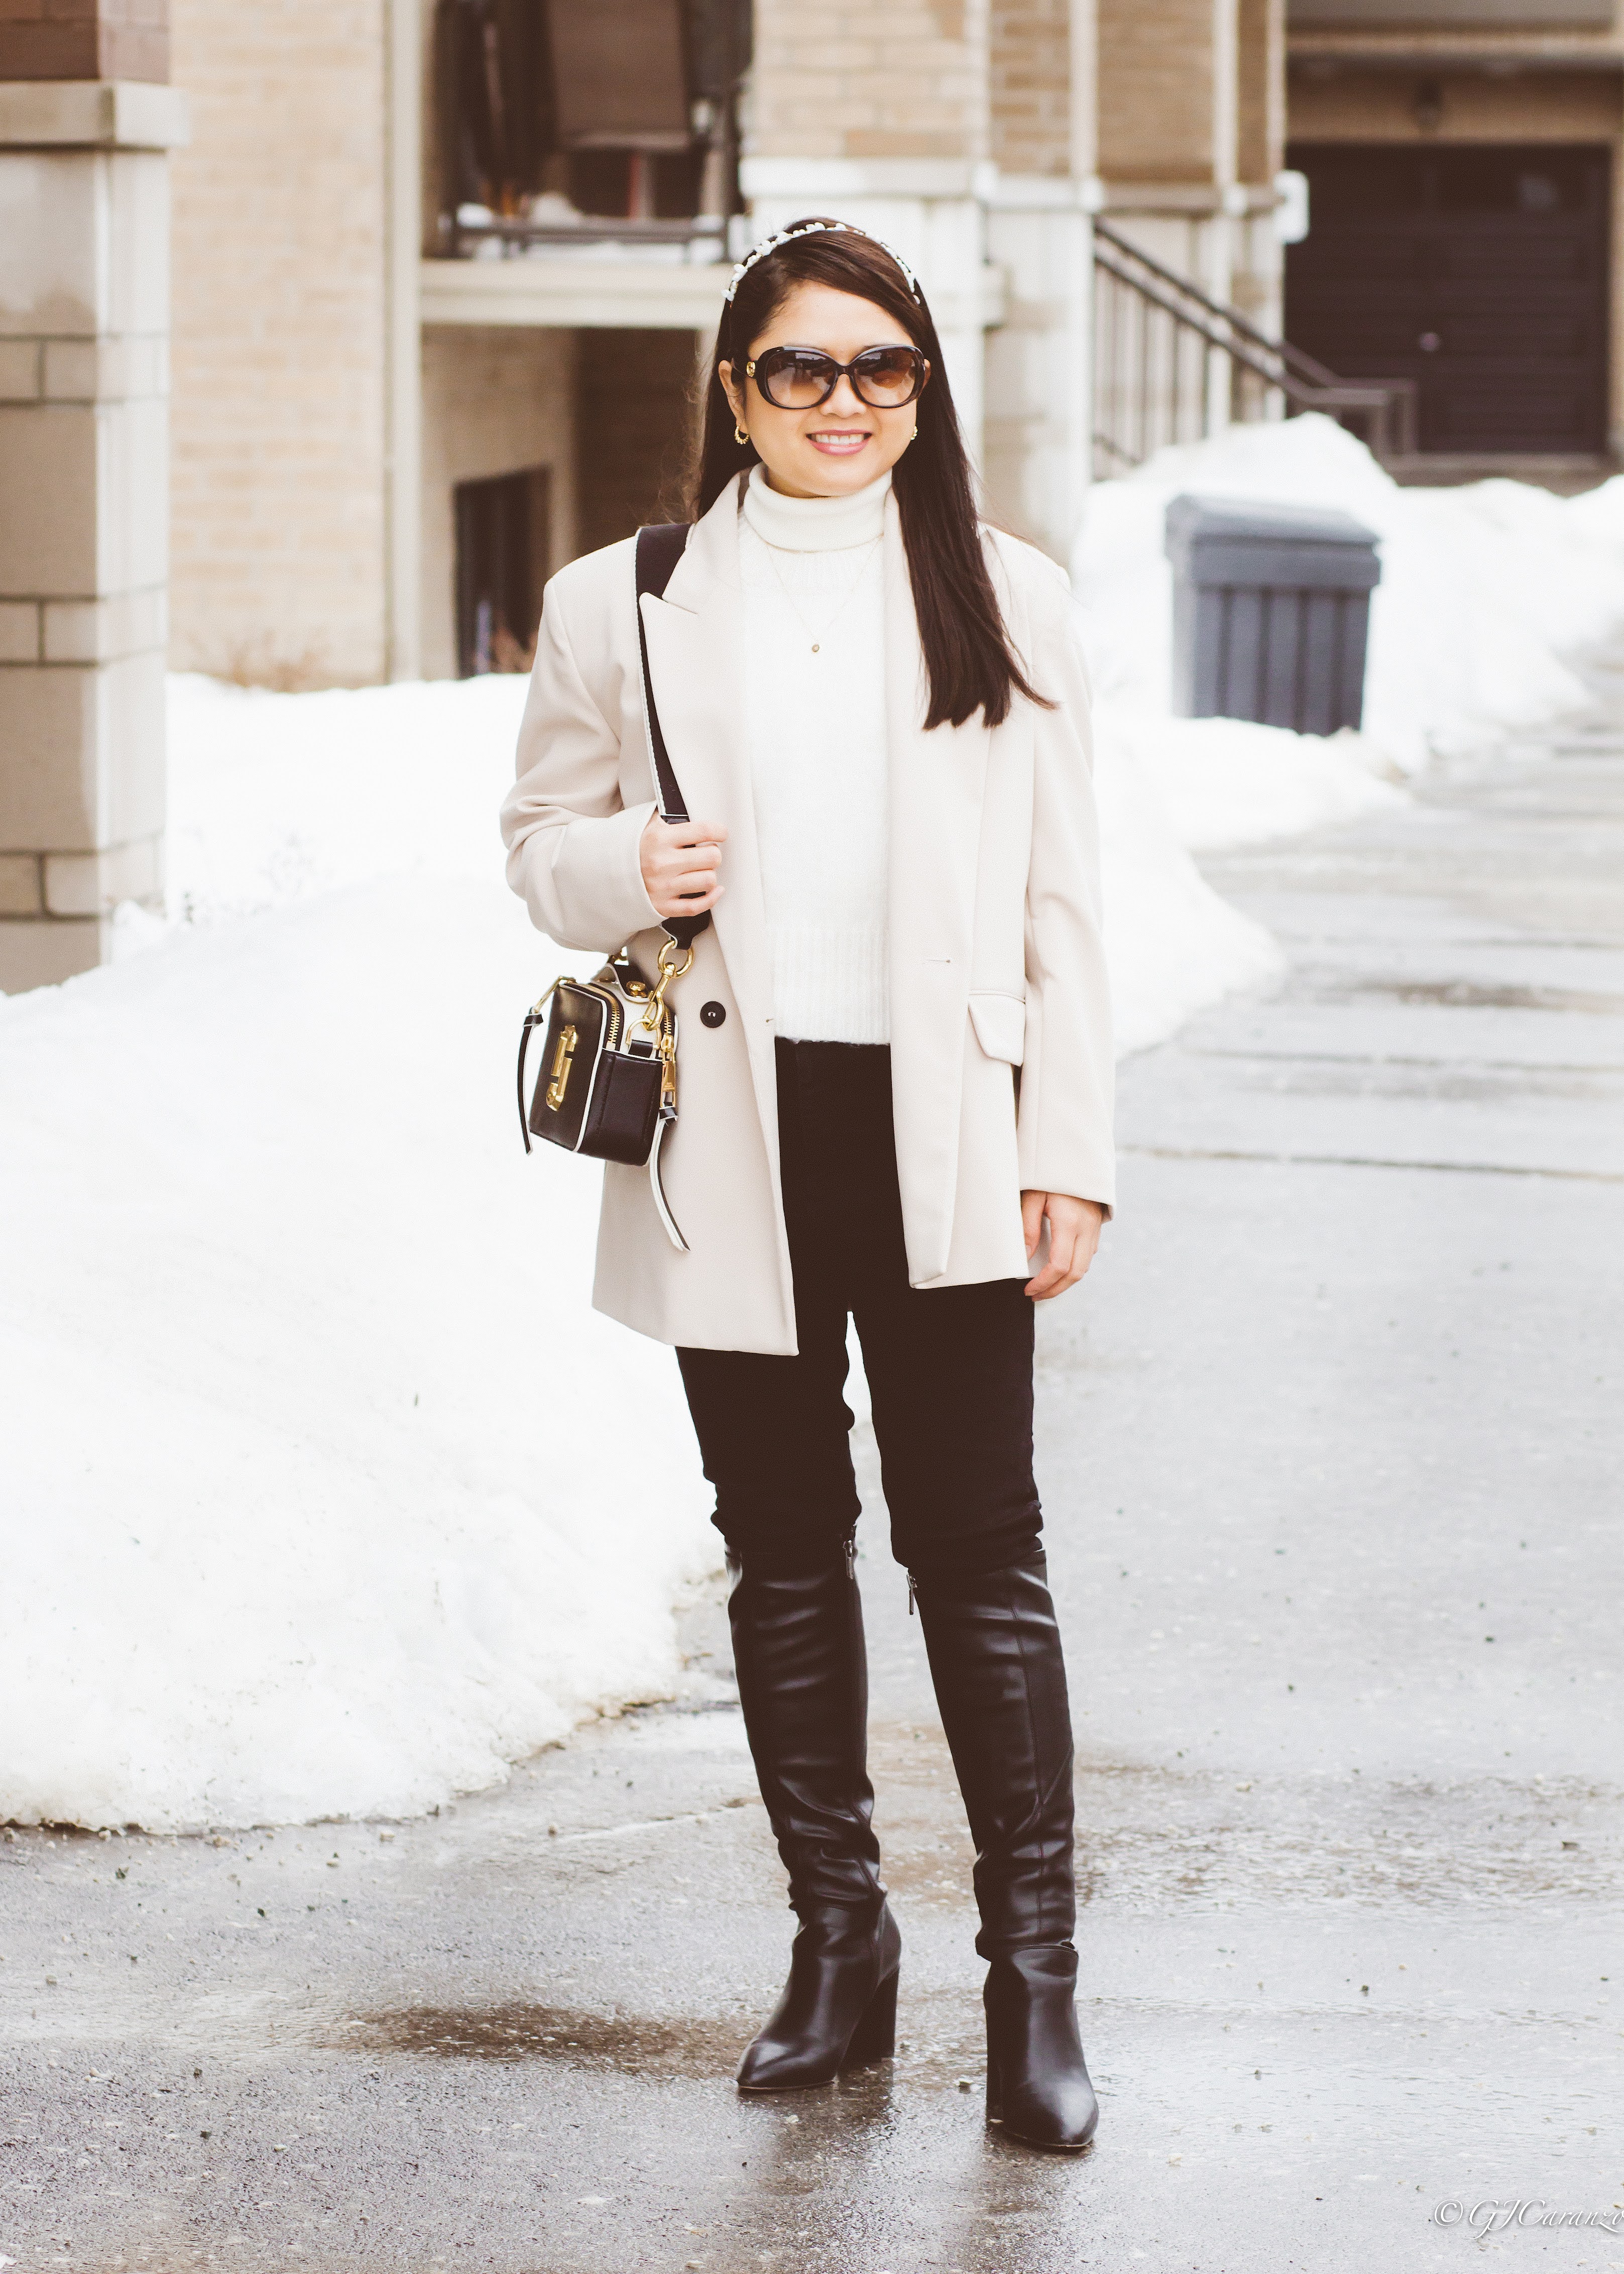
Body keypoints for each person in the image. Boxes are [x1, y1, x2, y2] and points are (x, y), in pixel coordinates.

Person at [501, 217, 1114, 2152]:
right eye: (798, 369)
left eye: (880, 371)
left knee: (977, 1557)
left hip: (943, 1128)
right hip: (730, 1139)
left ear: (921, 390)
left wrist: (1067, 1152)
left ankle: (1034, 1988)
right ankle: (838, 1954)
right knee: (779, 1546)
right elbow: (534, 837)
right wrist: (628, 873)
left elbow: (1063, 903)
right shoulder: (628, 598)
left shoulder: (1004, 595)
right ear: (733, 386)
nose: (840, 404)